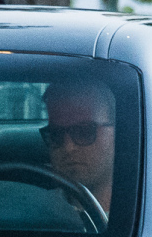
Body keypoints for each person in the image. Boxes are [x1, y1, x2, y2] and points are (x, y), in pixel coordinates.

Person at [42, 77, 122, 216]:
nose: (68, 147)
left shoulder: (147, 212)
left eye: (84, 132)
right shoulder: (33, 209)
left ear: (118, 134)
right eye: (56, 134)